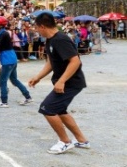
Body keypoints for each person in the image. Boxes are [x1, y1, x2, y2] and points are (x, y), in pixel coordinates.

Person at [27, 12, 90, 154]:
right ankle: (82, 140)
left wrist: (61, 81)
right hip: (67, 82)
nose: (36, 30)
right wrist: (38, 77)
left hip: (71, 83)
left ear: (42, 26)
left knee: (47, 108)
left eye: (37, 28)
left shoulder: (60, 39)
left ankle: (65, 142)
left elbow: (75, 61)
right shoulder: (50, 40)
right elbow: (51, 62)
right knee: (60, 110)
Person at [0, 16, 32, 108]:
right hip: (11, 57)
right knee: (14, 80)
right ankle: (28, 97)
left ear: (0, 25)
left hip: (7, 59)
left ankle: (4, 102)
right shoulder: (2, 33)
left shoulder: (2, 34)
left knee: (2, 81)